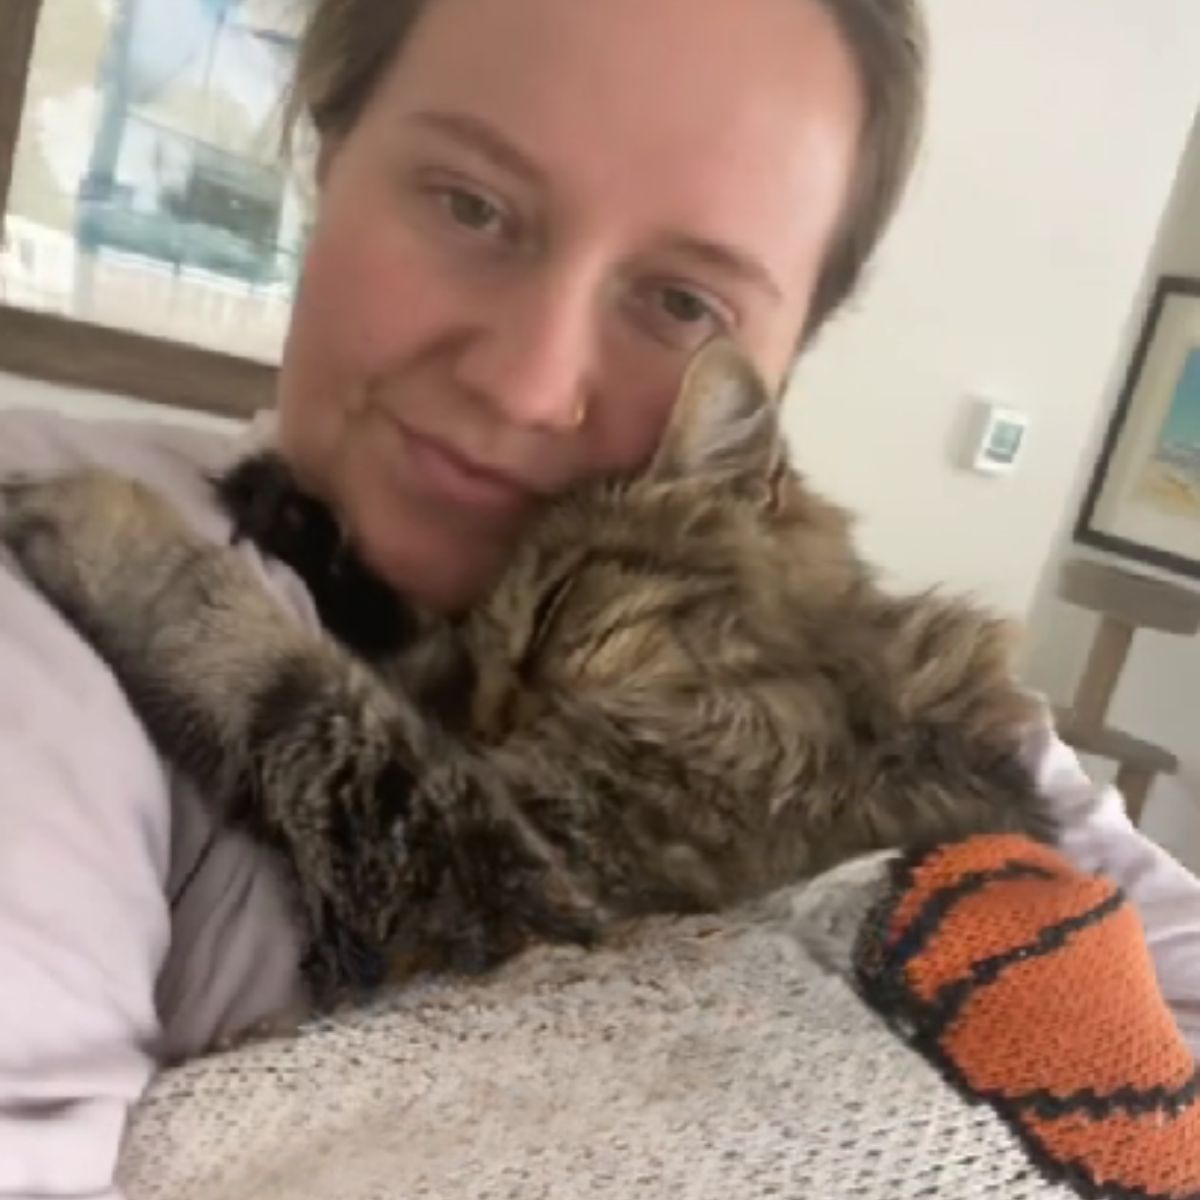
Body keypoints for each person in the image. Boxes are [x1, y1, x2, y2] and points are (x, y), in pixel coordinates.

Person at [1, 0, 1197, 1194]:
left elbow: (496, 930)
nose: (526, 385)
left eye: (684, 303)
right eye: (470, 204)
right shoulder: (38, 595)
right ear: (328, 147)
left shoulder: (943, 735)